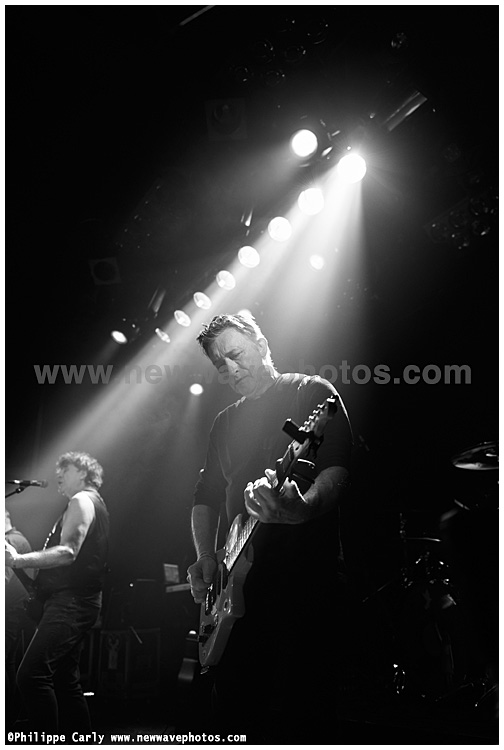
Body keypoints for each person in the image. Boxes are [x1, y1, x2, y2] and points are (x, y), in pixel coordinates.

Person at [187, 314, 355, 743]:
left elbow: (337, 469)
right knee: (233, 715)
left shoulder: (311, 393)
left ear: (261, 344)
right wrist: (206, 557)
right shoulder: (224, 422)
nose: (230, 368)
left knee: (306, 713)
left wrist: (303, 509)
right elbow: (205, 495)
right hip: (237, 591)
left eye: (236, 353)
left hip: (305, 578)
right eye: (220, 364)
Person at [5, 451, 109, 733]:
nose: (58, 474)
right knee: (65, 680)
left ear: (83, 472)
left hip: (71, 603)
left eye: (66, 468)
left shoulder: (81, 500)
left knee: (31, 675)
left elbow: (68, 552)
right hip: (79, 601)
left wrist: (17, 560)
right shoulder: (93, 503)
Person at [5, 509, 36, 730]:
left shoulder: (10, 542)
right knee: (8, 664)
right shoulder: (20, 539)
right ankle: (10, 718)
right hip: (18, 611)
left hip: (9, 611)